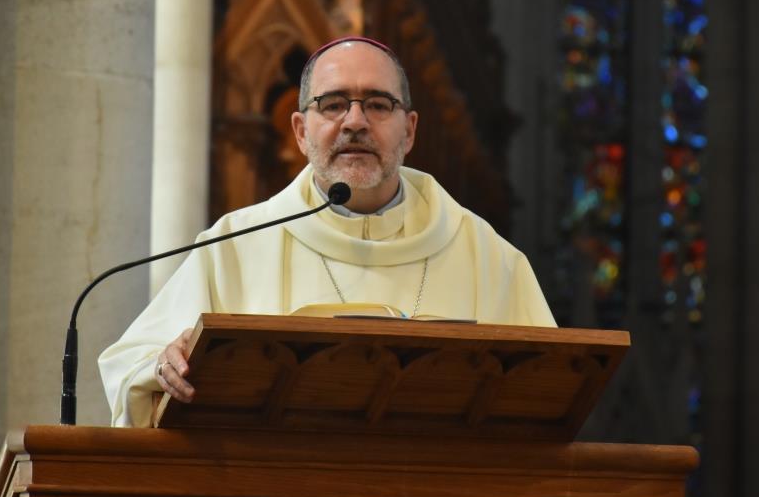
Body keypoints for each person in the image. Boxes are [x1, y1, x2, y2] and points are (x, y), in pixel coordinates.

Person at [99, 36, 556, 429]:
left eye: (378, 104)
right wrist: (163, 365)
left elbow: (546, 393)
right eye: (333, 104)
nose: (355, 122)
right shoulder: (237, 245)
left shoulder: (488, 257)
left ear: (410, 130)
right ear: (300, 131)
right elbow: (133, 366)